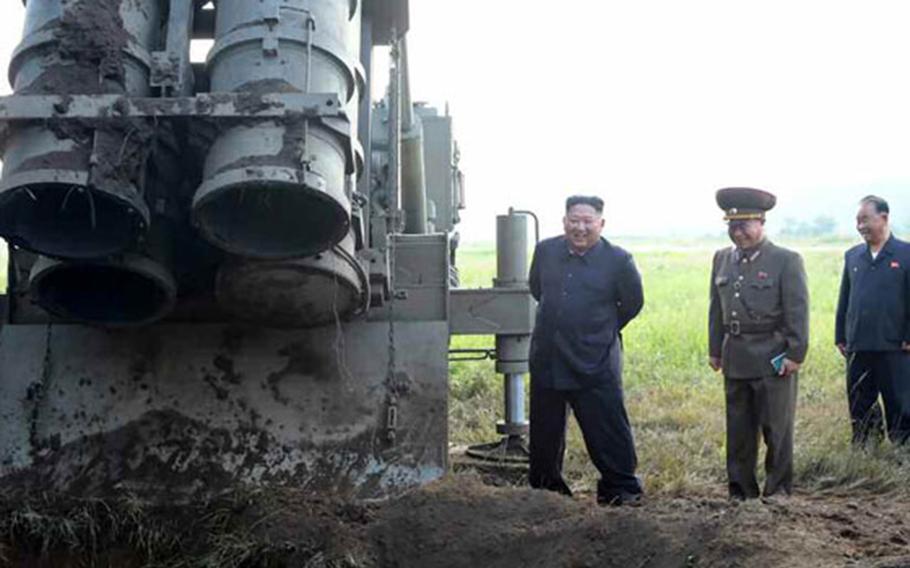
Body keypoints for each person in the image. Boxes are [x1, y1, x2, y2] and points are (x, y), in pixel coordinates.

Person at [528, 195, 644, 506]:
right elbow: (537, 288)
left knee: (606, 427)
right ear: (564, 221)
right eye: (574, 220)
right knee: (545, 431)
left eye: (588, 221)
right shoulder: (546, 251)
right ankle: (546, 493)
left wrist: (600, 328)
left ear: (601, 224)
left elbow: (632, 304)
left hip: (594, 358)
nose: (580, 227)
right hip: (549, 356)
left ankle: (620, 490)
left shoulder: (619, 260)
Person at [708, 187, 809, 500]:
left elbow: (798, 310)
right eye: (732, 226)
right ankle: (740, 491)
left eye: (745, 225)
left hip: (773, 356)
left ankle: (777, 492)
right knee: (738, 431)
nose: (738, 232)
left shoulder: (785, 260)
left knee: (776, 430)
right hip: (735, 354)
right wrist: (715, 349)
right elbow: (716, 307)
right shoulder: (722, 258)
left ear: (762, 222)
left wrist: (795, 353)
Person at [835, 195, 910, 445]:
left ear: (884, 218)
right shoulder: (853, 256)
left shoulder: (905, 253)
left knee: (899, 400)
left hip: (895, 344)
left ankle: (902, 451)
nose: (860, 226)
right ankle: (867, 448)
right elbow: (845, 298)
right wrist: (841, 335)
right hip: (859, 342)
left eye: (865, 219)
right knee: (859, 399)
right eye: (857, 221)